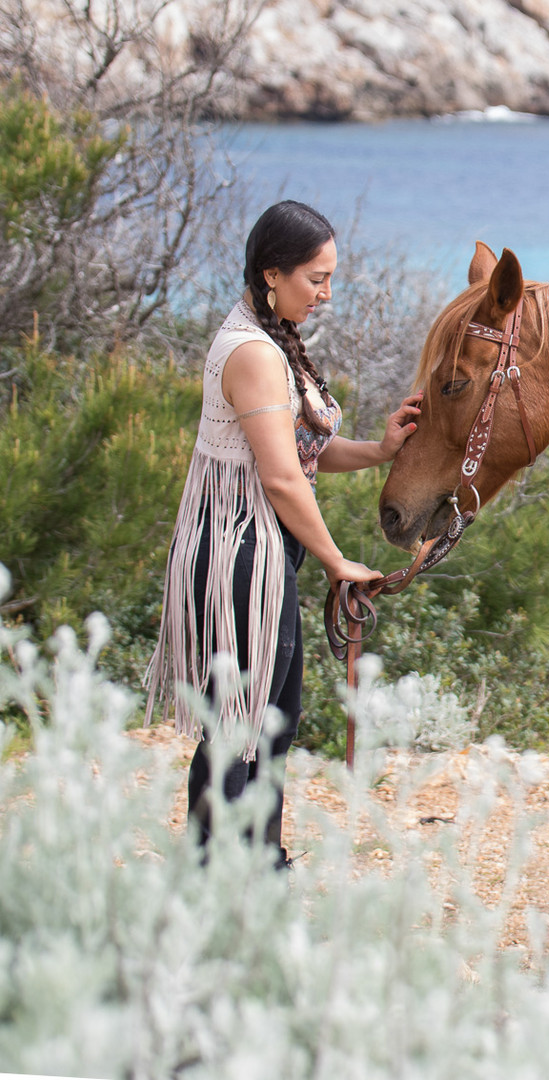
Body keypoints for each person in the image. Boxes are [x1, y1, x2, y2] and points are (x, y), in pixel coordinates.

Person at [146, 199, 423, 866]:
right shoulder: (252, 354)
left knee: (269, 720)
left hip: (259, 550)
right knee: (237, 725)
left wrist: (378, 450)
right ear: (273, 274)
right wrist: (336, 562)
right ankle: (220, 873)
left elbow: (304, 453)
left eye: (330, 278)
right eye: (315, 278)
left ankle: (253, 864)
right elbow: (279, 478)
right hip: (239, 548)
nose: (326, 294)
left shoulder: (271, 340)